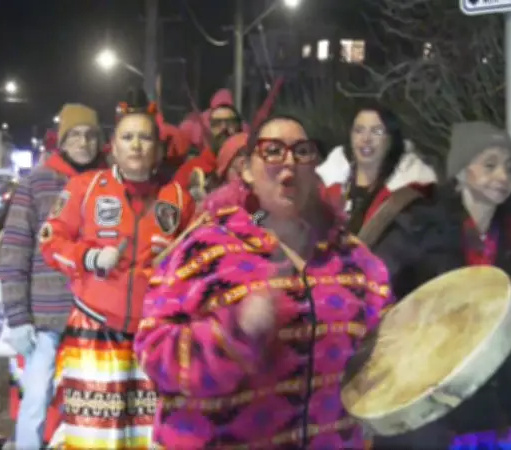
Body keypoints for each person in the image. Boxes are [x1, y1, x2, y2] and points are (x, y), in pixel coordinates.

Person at [133, 114, 394, 449]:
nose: (289, 161)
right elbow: (153, 353)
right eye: (272, 150)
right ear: (245, 170)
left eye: (302, 151)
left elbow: (385, 347)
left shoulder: (353, 258)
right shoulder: (204, 247)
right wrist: (231, 335)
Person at [374, 121, 511, 449]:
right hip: (440, 394)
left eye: (509, 167)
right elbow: (377, 283)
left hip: (508, 396)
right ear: (459, 172)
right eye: (489, 165)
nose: (502, 176)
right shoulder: (420, 226)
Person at [39, 88, 195, 449]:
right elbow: (51, 241)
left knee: (151, 436)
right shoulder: (84, 188)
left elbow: (200, 258)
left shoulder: (178, 199)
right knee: (92, 436)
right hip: (95, 332)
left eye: (145, 138)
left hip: (154, 337)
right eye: (128, 137)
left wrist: (178, 257)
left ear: (157, 148)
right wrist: (90, 258)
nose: (136, 146)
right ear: (113, 145)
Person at [0, 103, 104, 449]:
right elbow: (14, 251)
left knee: (97, 403)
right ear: (62, 139)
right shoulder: (37, 183)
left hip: (100, 318)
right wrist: (17, 317)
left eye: (91, 135)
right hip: (48, 319)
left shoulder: (109, 183)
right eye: (76, 134)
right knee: (36, 402)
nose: (84, 142)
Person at [315, 105, 438, 299]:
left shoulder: (411, 199)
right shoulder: (327, 186)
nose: (366, 138)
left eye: (377, 131)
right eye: (359, 130)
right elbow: (263, 217)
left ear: (391, 139)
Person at [171, 89, 245, 189]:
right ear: (208, 130)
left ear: (239, 127)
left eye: (230, 122)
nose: (224, 128)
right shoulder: (191, 169)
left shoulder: (250, 168)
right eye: (217, 123)